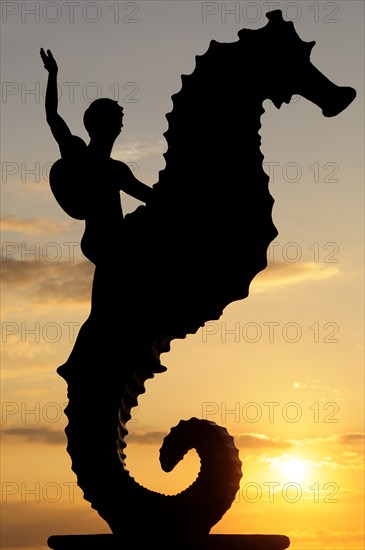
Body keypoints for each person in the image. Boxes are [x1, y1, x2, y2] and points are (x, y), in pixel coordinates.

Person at [40, 48, 154, 264]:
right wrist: (52, 75)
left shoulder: (117, 169)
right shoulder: (80, 153)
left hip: (115, 238)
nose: (121, 124)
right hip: (104, 242)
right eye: (117, 118)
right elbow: (52, 116)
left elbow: (151, 197)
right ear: (104, 125)